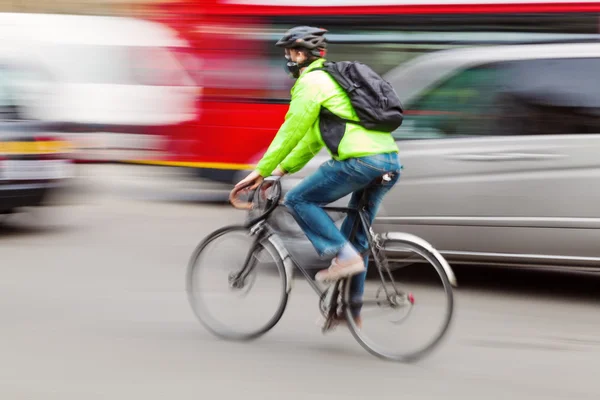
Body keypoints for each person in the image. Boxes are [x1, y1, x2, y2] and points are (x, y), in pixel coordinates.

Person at [232, 26, 402, 327]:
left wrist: (260, 170)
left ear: (300, 54)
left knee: (298, 199)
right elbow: (311, 140)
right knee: (355, 239)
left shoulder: (311, 82)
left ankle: (343, 257)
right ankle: (350, 311)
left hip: (359, 163)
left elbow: (290, 131)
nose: (287, 60)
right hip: (388, 163)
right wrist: (281, 170)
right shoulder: (334, 81)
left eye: (288, 53)